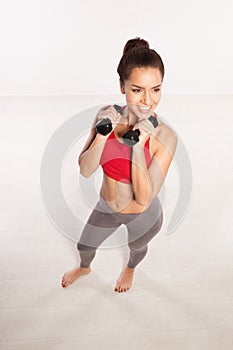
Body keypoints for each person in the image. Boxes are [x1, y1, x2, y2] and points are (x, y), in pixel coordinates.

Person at [61, 37, 177, 293]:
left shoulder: (165, 136)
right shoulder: (106, 114)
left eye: (156, 89)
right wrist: (103, 134)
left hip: (144, 215)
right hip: (106, 206)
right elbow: (86, 169)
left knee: (137, 248)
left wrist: (137, 143)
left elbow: (145, 196)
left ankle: (130, 268)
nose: (148, 100)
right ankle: (84, 267)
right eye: (137, 89)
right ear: (122, 85)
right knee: (85, 247)